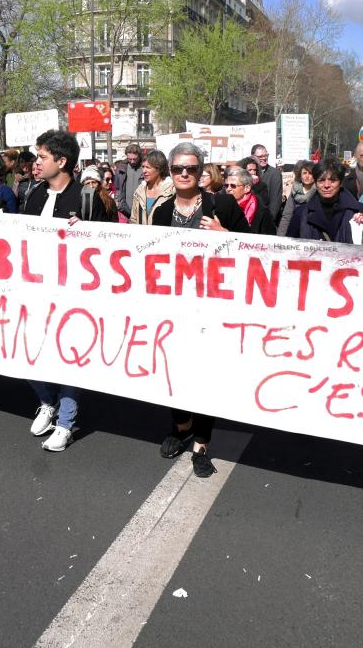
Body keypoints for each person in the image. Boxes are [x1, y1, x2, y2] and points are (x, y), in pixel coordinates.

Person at [151, 142, 250, 477]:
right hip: (174, 306)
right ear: (170, 171)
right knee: (172, 371)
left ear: (201, 171)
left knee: (206, 376)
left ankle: (201, 445)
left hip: (213, 305)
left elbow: (258, 246)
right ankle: (181, 426)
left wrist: (227, 234)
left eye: (190, 168)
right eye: (177, 168)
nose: (183, 174)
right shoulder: (162, 212)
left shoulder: (220, 204)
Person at [22, 129, 117, 452]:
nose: (37, 163)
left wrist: (88, 233)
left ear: (61, 161)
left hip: (74, 296)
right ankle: (47, 402)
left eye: (43, 157)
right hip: (36, 291)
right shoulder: (34, 195)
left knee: (68, 358)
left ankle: (65, 421)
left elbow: (109, 245)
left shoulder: (86, 199)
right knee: (28, 351)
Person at [284, 158, 363, 242]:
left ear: (341, 182)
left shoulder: (359, 211)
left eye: (332, 180)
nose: (327, 185)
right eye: (321, 180)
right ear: (315, 183)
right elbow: (289, 247)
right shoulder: (301, 213)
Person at [224, 167, 274, 234]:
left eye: (233, 186)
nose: (228, 189)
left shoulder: (262, 211)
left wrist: (223, 231)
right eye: (226, 185)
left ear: (247, 188)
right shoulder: (222, 205)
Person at [129, 149, 173, 225]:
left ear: (159, 169)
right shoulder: (140, 190)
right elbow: (133, 219)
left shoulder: (171, 190)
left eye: (148, 167)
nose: (144, 171)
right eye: (143, 167)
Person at [249, 144, 283, 232]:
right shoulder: (247, 172)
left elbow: (275, 202)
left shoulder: (274, 174)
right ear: (253, 157)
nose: (264, 158)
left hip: (265, 223)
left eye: (266, 155)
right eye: (260, 156)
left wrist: (268, 222)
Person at [279, 160, 316, 235]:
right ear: (300, 175)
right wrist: (281, 236)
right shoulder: (295, 191)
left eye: (310, 173)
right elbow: (287, 215)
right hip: (294, 232)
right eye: (304, 173)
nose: (307, 176)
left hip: (311, 234)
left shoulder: (318, 192)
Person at [114, 142, 143, 218]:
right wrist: (118, 203)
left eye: (135, 159)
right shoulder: (121, 169)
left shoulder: (145, 168)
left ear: (139, 156)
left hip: (141, 211)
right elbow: (116, 188)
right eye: (130, 159)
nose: (132, 161)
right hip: (124, 210)